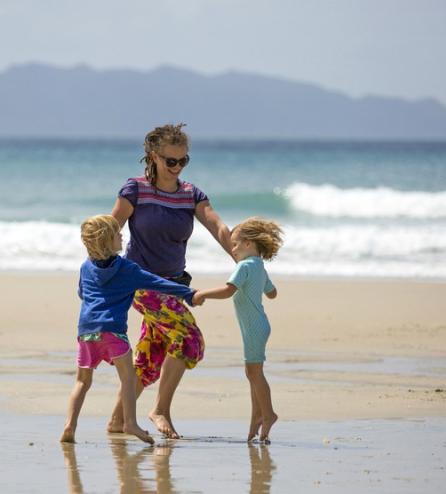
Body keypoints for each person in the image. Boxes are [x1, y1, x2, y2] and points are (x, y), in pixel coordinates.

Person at [108, 123, 234, 439]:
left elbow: (217, 226)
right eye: (170, 161)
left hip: (173, 286)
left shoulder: (191, 195)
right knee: (190, 339)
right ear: (153, 156)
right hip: (139, 283)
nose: (176, 167)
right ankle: (160, 410)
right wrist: (99, 274)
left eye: (183, 161)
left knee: (150, 361)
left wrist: (243, 259)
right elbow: (110, 229)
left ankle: (118, 421)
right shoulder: (134, 190)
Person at [60, 214, 202, 444]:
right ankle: (130, 423)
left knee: (82, 382)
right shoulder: (127, 268)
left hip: (85, 331)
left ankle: (69, 427)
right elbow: (157, 283)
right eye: (117, 233)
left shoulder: (85, 267)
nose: (122, 235)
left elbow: (82, 294)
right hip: (113, 332)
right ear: (108, 241)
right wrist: (188, 293)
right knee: (128, 378)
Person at [192, 217, 283, 443]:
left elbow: (227, 290)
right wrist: (260, 287)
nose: (232, 249)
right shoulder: (259, 266)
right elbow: (273, 293)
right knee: (253, 372)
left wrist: (202, 294)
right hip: (259, 325)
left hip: (253, 327)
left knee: (254, 373)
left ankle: (269, 413)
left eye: (235, 244)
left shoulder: (244, 266)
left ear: (249, 244)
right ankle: (256, 417)